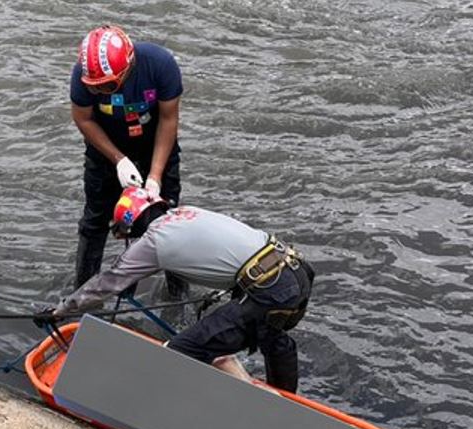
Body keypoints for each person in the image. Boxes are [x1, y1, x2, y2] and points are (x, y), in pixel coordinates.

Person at [51, 187, 315, 394]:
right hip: (295, 271)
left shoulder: (153, 240)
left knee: (176, 355)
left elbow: (108, 283)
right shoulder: (188, 212)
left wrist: (60, 310)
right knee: (269, 335)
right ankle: (286, 405)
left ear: (131, 227)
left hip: (267, 288)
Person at [70, 24, 183, 289]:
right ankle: (81, 292)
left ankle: (177, 295)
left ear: (128, 67)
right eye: (97, 88)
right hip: (106, 150)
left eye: (109, 85)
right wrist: (118, 159)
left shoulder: (160, 65)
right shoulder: (81, 75)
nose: (104, 92)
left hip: (155, 146)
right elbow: (83, 119)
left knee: (169, 222)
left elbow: (169, 120)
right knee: (95, 221)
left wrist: (154, 177)